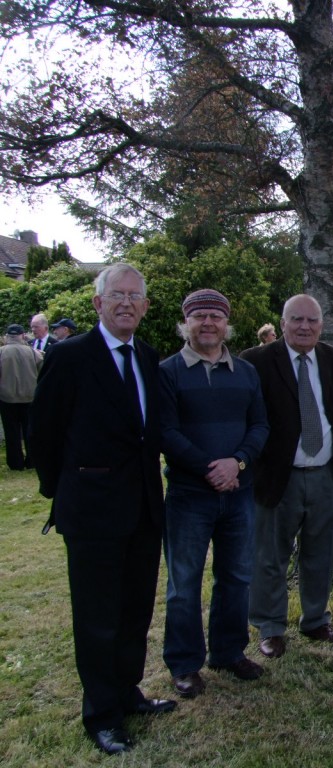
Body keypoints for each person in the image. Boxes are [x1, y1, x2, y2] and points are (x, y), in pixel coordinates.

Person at [30, 264, 174, 755]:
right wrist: (67, 489)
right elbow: (43, 434)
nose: (127, 303)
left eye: (136, 296)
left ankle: (128, 692)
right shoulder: (71, 357)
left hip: (142, 510)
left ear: (146, 306)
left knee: (134, 610)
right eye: (118, 295)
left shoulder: (148, 357)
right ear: (98, 303)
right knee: (98, 616)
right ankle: (101, 715)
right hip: (91, 512)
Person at [159, 289, 270, 699]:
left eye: (216, 317)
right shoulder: (168, 372)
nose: (208, 323)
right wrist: (211, 468)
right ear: (185, 323)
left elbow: (260, 426)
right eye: (199, 316)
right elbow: (166, 432)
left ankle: (228, 651)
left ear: (227, 324)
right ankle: (185, 664)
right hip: (189, 495)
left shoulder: (244, 372)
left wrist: (236, 463)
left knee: (237, 576)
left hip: (239, 492)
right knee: (183, 582)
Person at [241, 294, 333, 659]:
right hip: (277, 476)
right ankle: (271, 627)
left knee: (321, 552)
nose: (305, 327)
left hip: (324, 474)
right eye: (296, 320)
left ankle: (316, 619)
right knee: (271, 555)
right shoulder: (255, 361)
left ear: (321, 325)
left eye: (312, 321)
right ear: (282, 323)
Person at [0, 324, 43, 470]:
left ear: (7, 336)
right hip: (29, 398)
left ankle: (15, 462)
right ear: (22, 335)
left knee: (11, 432)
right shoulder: (32, 352)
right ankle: (32, 461)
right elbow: (42, 371)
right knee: (29, 431)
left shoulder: (1, 352)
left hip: (7, 398)